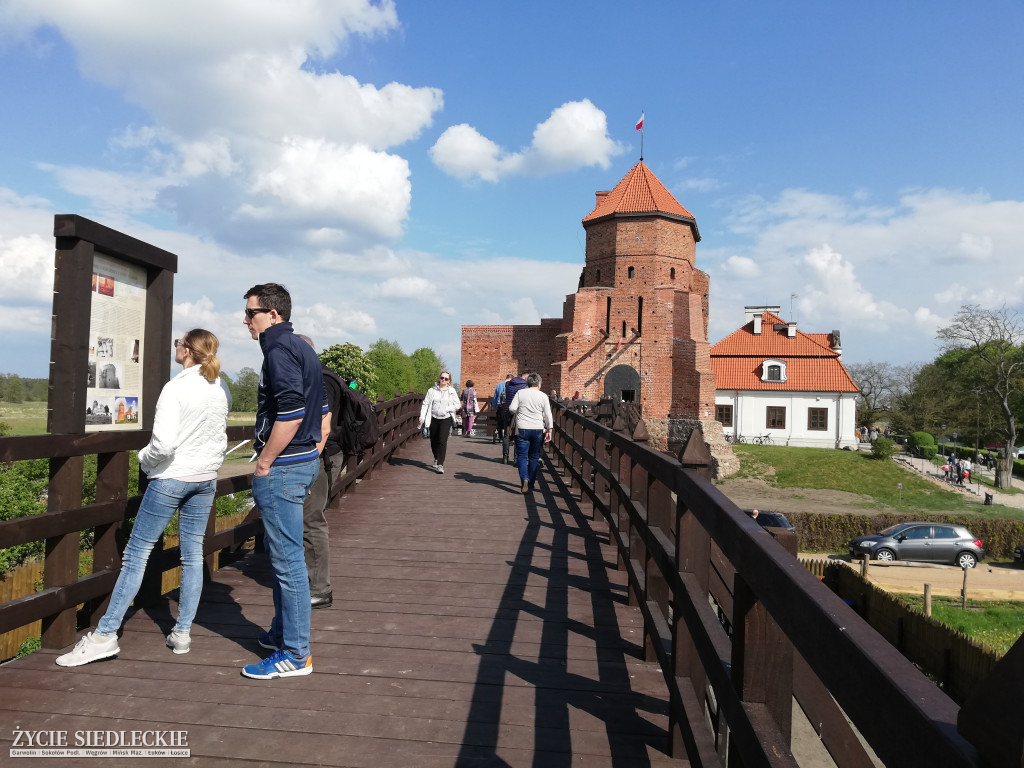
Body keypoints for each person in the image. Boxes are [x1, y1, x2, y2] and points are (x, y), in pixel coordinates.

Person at [56, 329, 231, 666]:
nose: (175, 348)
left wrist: (143, 460)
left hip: (171, 478)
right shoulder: (217, 388)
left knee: (136, 555)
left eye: (178, 344)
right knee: (193, 556)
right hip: (205, 479)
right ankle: (182, 633)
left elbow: (163, 445)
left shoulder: (175, 388)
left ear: (187, 352)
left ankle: (105, 636)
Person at [241, 283, 328, 680]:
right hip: (305, 461)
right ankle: (281, 632)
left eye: (252, 313)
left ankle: (295, 654)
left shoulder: (277, 350)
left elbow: (291, 413)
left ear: (273, 314)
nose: (246, 320)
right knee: (286, 558)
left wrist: (264, 462)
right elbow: (322, 411)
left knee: (287, 561)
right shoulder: (304, 348)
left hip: (284, 467)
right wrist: (313, 455)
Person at [298, 335, 345, 610]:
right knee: (312, 517)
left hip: (321, 457)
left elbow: (323, 427)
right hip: (327, 456)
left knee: (312, 519)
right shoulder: (327, 376)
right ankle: (310, 581)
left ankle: (319, 588)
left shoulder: (319, 381)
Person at [508, 372, 553, 494]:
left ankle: (524, 479)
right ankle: (531, 482)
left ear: (527, 383)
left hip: (522, 428)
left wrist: (519, 413)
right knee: (534, 457)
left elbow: (511, 408)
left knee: (522, 456)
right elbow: (548, 415)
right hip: (538, 429)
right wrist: (550, 430)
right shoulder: (543, 396)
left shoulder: (520, 393)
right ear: (539, 384)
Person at [418, 371, 460, 474]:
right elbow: (425, 404)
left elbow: (458, 405)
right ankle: (436, 457)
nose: (443, 380)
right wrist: (422, 417)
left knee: (442, 440)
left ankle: (440, 464)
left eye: (446, 379)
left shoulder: (451, 391)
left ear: (449, 381)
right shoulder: (432, 390)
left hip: (446, 418)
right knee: (433, 440)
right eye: (442, 378)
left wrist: (448, 408)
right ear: (439, 378)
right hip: (433, 417)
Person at [492, 374, 512, 444]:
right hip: (509, 406)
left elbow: (495, 396)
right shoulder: (511, 385)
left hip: (500, 406)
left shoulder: (499, 385)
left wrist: (494, 405)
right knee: (507, 422)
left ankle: (500, 434)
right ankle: (506, 437)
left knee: (500, 421)